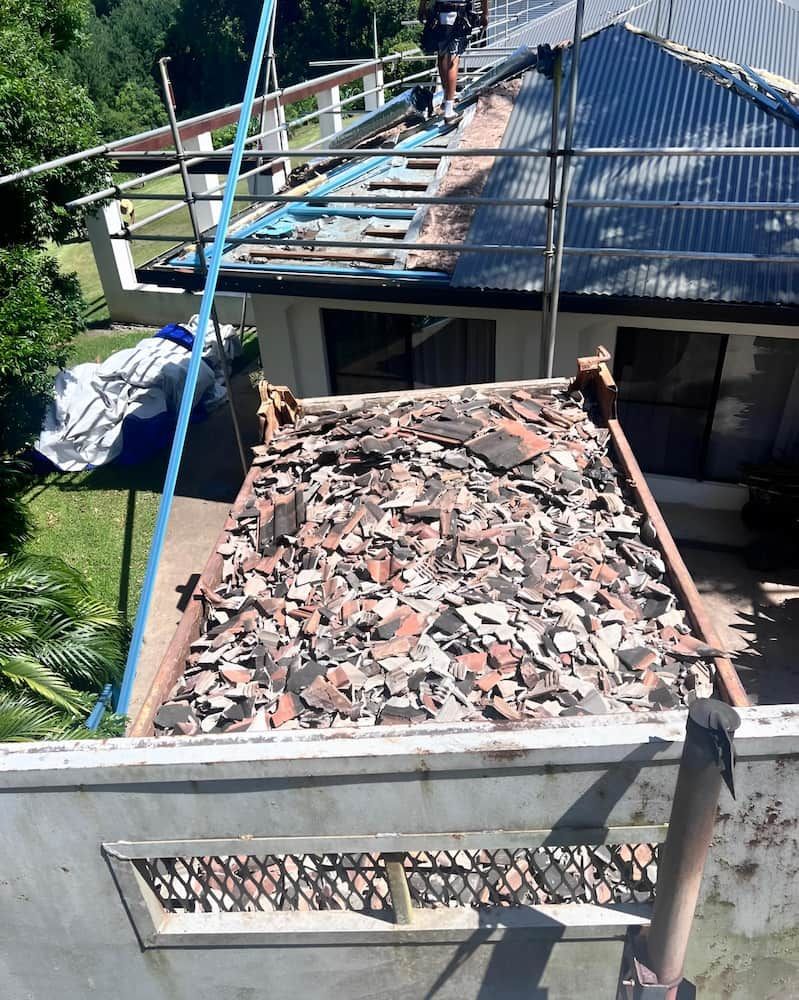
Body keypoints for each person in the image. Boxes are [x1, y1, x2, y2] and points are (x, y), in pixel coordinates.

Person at [419, 0, 488, 123]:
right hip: (458, 16)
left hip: (439, 14)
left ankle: (446, 99)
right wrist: (484, 14)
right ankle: (449, 111)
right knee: (453, 60)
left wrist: (422, 7)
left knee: (441, 56)